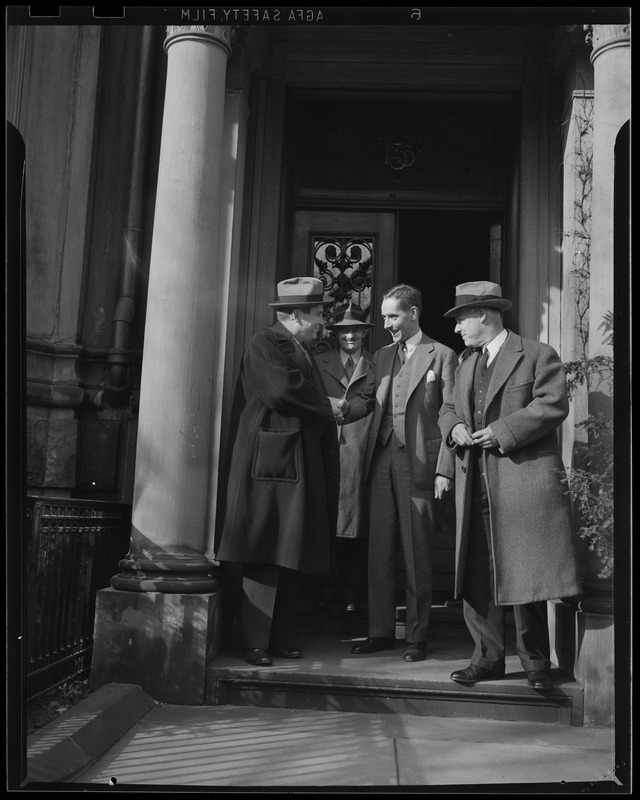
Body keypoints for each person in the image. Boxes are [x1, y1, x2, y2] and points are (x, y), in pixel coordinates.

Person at [438, 280, 582, 689]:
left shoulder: (537, 354)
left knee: (526, 570)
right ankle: (486, 659)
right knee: (477, 575)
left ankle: (536, 663)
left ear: (482, 314)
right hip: (474, 485)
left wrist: (502, 431)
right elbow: (447, 407)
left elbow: (552, 403)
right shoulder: (467, 363)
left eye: (461, 319)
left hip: (521, 483)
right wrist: (457, 427)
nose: (457, 329)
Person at [215, 276, 342, 667]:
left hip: (288, 466)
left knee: (287, 549)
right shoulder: (266, 342)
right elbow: (281, 391)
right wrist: (328, 404)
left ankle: (276, 638)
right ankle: (253, 642)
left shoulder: (298, 347)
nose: (323, 321)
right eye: (317, 313)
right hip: (269, 467)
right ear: (292, 314)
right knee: (264, 550)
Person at [341, 284, 458, 662]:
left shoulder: (442, 355)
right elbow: (366, 402)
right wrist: (336, 410)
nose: (386, 323)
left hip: (419, 464)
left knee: (417, 552)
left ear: (413, 312)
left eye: (392, 315)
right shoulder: (382, 355)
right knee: (379, 551)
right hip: (381, 461)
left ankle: (417, 637)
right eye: (384, 316)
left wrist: (445, 468)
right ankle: (379, 632)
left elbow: (450, 413)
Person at [314, 302, 374, 614]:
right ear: (336, 334)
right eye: (344, 330)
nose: (350, 335)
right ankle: (324, 590)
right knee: (324, 521)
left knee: (355, 524)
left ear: (364, 332)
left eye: (356, 330)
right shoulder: (317, 360)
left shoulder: (376, 363)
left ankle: (352, 592)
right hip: (325, 450)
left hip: (360, 452)